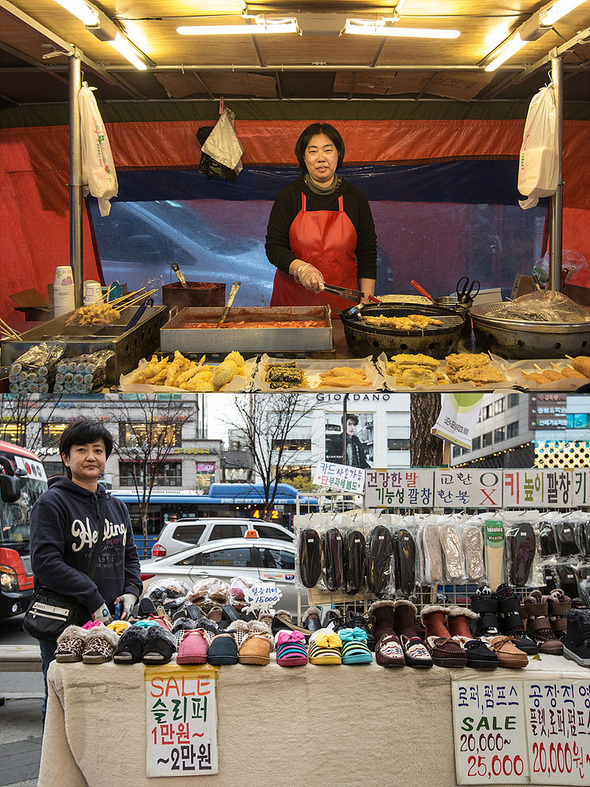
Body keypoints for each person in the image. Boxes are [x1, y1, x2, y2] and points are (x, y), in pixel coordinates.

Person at [30, 420, 142, 720]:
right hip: (64, 625)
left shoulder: (116, 506)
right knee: (63, 705)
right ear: (66, 458)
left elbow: (130, 556)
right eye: (81, 450)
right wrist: (92, 597)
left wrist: (132, 591)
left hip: (110, 627)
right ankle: (57, 768)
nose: (91, 457)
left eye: (98, 450)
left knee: (106, 704)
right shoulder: (51, 503)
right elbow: (45, 563)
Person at [265, 122, 377, 312]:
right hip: (293, 305)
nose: (321, 158)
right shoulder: (289, 196)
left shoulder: (354, 197)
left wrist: (366, 304)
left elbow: (367, 253)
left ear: (338, 154)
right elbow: (274, 247)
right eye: (313, 151)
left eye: (328, 150)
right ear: (303, 157)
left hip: (343, 309)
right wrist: (302, 269)